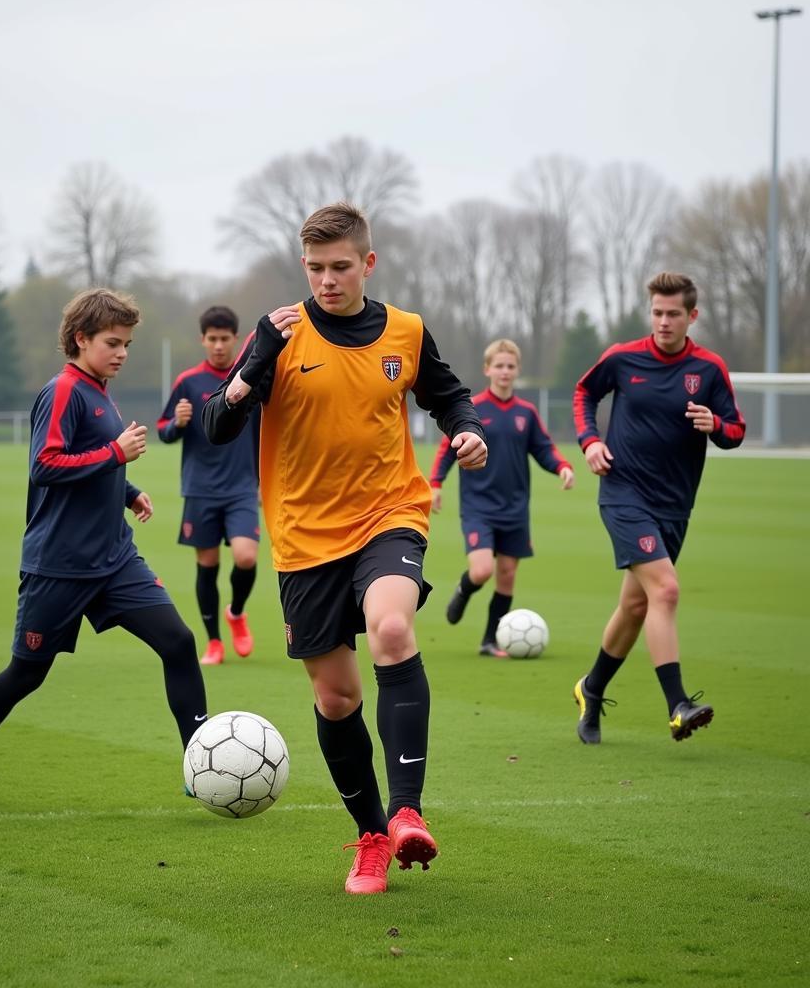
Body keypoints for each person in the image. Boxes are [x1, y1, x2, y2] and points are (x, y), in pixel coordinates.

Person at [203, 202, 487, 894]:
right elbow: (215, 425)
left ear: (368, 262)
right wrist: (251, 366)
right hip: (303, 537)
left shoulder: (406, 332)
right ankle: (370, 838)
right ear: (304, 266)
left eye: (341, 267)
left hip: (389, 512)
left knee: (392, 627)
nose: (328, 280)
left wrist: (468, 429)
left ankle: (407, 811)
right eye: (316, 268)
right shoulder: (279, 336)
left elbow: (448, 396)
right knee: (336, 700)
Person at [0, 289, 208, 809]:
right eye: (112, 342)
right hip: (59, 565)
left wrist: (128, 493)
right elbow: (45, 465)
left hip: (114, 559)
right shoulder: (63, 390)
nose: (123, 353)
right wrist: (115, 453)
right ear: (80, 339)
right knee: (27, 673)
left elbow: (93, 462)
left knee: (177, 642)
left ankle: (201, 762)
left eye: (127, 343)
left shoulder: (100, 391)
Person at [572, 272, 745, 745]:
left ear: (692, 316)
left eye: (673, 314)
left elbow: (736, 430)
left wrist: (714, 424)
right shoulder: (623, 357)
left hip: (675, 506)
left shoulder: (709, 369)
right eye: (657, 312)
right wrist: (590, 441)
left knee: (635, 605)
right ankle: (678, 705)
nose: (664, 322)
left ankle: (590, 689)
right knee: (665, 590)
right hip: (623, 492)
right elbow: (584, 392)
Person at [430, 338, 574, 656]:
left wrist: (562, 466)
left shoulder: (527, 413)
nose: (505, 371)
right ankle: (464, 589)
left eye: (510, 366)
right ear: (487, 369)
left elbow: (544, 449)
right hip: (478, 505)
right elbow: (447, 449)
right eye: (499, 365)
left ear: (517, 370)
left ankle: (489, 640)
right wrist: (436, 483)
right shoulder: (474, 409)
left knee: (507, 575)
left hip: (515, 508)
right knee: (482, 570)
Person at [158, 305, 260, 666]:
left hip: (243, 487)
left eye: (225, 339)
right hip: (200, 488)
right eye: (212, 339)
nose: (218, 345)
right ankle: (214, 641)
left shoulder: (249, 377)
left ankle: (236, 612)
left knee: (247, 557)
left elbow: (264, 430)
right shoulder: (188, 381)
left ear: (236, 338)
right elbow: (163, 430)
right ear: (203, 340)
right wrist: (178, 424)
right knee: (209, 563)